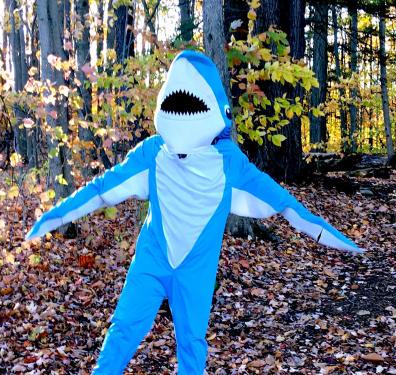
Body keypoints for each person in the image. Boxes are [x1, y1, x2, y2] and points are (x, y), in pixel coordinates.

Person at [26, 50, 363, 374]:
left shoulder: (231, 164)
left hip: (196, 272)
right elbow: (99, 191)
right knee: (123, 330)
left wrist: (333, 237)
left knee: (191, 343)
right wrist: (54, 217)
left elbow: (286, 204)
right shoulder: (152, 154)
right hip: (152, 259)